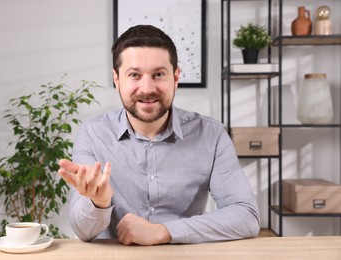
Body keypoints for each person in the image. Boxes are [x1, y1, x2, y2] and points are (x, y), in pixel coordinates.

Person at [58, 24, 260, 245]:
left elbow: (246, 216)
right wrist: (99, 203)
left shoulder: (211, 135)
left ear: (175, 77)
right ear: (117, 79)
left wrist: (165, 231)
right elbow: (83, 231)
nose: (146, 88)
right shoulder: (92, 135)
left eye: (158, 75)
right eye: (134, 75)